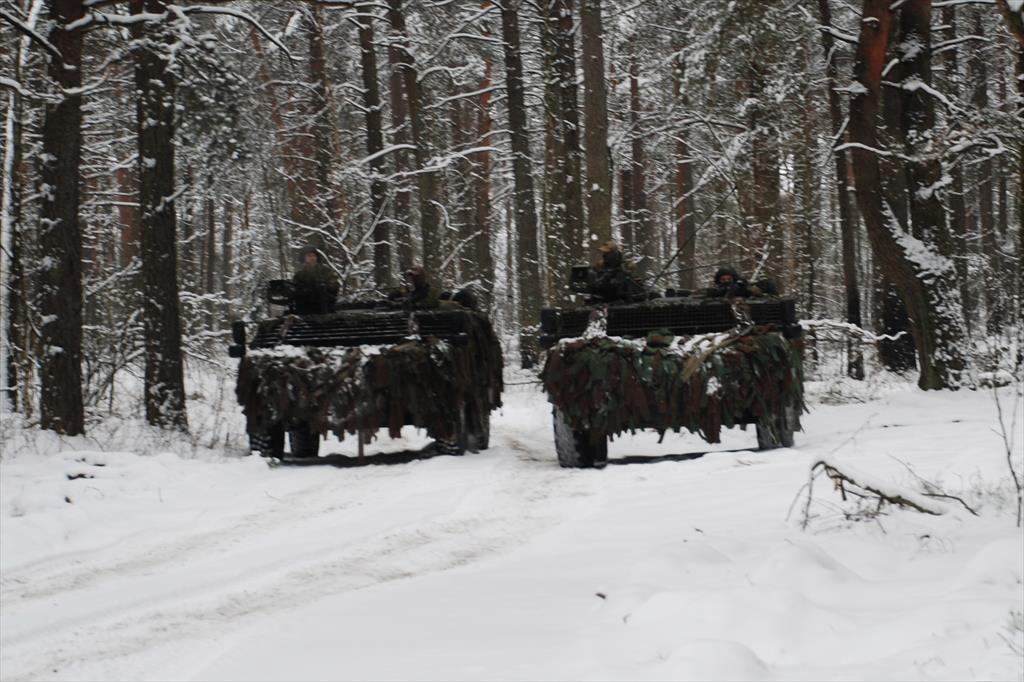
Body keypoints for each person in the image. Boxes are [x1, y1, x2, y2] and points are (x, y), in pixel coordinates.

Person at [292, 245, 339, 314]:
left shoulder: (326, 271)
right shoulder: (299, 275)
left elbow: (335, 287)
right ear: (304, 258)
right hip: (306, 310)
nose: (312, 258)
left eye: (313, 255)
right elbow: (296, 292)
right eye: (309, 256)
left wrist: (324, 288)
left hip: (326, 308)